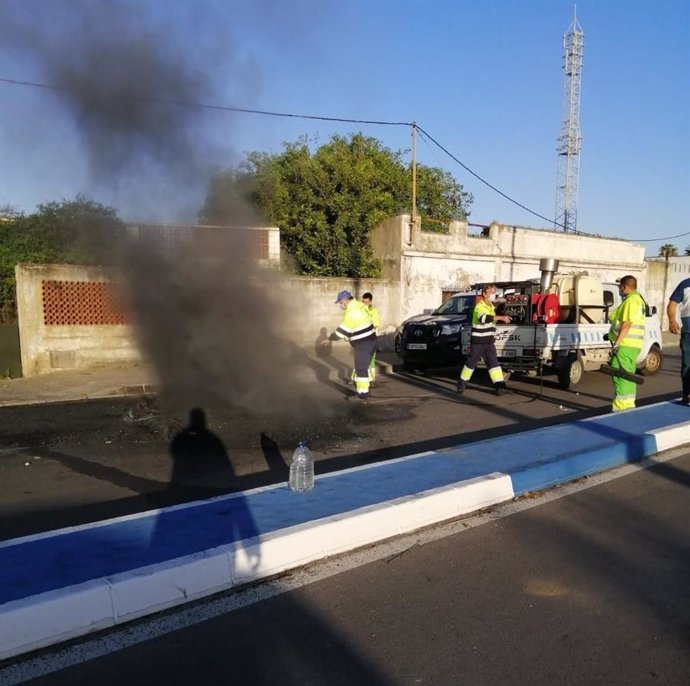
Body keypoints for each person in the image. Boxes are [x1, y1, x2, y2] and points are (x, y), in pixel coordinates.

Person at [456, 284, 512, 395]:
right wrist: (501, 317)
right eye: (491, 293)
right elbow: (483, 319)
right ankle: (461, 385)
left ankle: (500, 386)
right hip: (479, 342)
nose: (493, 295)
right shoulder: (480, 306)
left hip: (489, 342)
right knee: (471, 363)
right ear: (484, 294)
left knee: (494, 364)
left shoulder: (491, 306)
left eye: (494, 293)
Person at [327, 290, 377, 400]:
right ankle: (366, 390)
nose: (340, 305)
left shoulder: (352, 311)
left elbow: (341, 331)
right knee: (365, 367)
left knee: (360, 369)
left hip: (363, 343)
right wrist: (349, 335)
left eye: (340, 302)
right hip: (371, 339)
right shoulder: (359, 305)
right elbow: (358, 324)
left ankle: (362, 395)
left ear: (344, 300)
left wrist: (329, 339)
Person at [607, 275, 646, 411]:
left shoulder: (631, 301)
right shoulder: (639, 299)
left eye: (620, 287)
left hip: (625, 344)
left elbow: (627, 323)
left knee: (620, 376)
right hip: (633, 345)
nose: (620, 289)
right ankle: (629, 405)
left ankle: (620, 408)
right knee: (628, 376)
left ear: (625, 287)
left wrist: (617, 343)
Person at [666, 277, 690, 404]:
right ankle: (687, 393)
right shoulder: (685, 284)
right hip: (688, 331)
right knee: (687, 364)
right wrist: (671, 321)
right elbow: (672, 303)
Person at [361, 292, 381, 384]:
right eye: (363, 302)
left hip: (371, 338)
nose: (364, 304)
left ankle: (372, 379)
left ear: (370, 301)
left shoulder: (374, 311)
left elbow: (375, 325)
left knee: (371, 359)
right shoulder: (360, 310)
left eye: (366, 302)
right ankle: (361, 378)